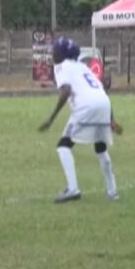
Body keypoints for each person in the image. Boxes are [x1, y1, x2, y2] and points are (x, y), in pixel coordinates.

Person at [39, 37, 121, 203]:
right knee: (100, 148)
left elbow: (66, 90)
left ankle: (73, 189)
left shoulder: (61, 66)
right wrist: (111, 119)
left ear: (62, 54)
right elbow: (100, 91)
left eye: (55, 50)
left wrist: (51, 118)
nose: (52, 52)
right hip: (103, 103)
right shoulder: (83, 67)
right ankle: (113, 192)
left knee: (63, 146)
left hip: (86, 107)